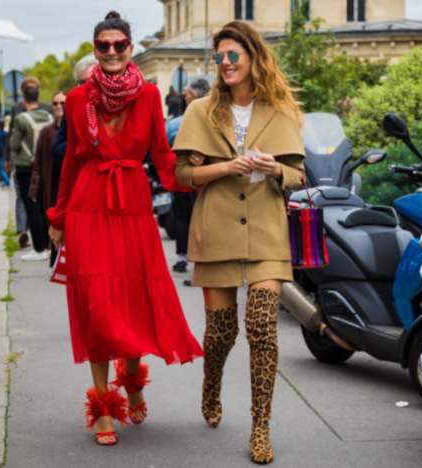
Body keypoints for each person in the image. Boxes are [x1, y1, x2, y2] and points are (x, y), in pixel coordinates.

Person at [46, 11, 203, 447]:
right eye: (104, 45)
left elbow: (161, 155)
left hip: (132, 205)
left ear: (130, 48)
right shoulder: (78, 99)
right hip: (88, 207)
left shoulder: (149, 95)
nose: (112, 51)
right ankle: (102, 407)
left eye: (119, 44)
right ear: (96, 50)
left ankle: (132, 383)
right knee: (96, 306)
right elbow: (71, 161)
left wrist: (196, 176)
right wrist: (58, 216)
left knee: (133, 302)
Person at [173, 21, 306, 464]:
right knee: (221, 333)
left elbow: (298, 175)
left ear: (253, 57)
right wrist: (226, 167)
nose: (226, 63)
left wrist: (273, 169)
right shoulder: (201, 111)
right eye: (220, 57)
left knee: (263, 325)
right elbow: (183, 175)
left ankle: (260, 426)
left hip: (267, 229)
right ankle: (211, 384)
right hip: (217, 229)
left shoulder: (279, 110)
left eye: (234, 55)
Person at [166, 78, 211, 275]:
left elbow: (164, 148)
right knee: (202, 219)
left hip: (186, 179)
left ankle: (183, 259)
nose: (185, 97)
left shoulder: (176, 123)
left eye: (187, 94)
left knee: (184, 217)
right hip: (208, 179)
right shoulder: (217, 119)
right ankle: (202, 262)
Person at [10, 83, 54, 261]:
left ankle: (38, 248)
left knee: (31, 207)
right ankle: (49, 245)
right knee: (44, 206)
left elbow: (14, 144)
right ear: (38, 97)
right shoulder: (49, 116)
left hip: (26, 167)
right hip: (45, 165)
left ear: (24, 99)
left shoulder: (21, 119)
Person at [29, 91, 66, 266]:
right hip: (52, 187)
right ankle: (55, 262)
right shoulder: (46, 132)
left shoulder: (77, 129)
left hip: (71, 186)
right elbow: (38, 162)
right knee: (53, 225)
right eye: (55, 103)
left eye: (62, 103)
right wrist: (34, 188)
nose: (59, 106)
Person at [51, 55, 98, 173]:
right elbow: (56, 149)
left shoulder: (114, 102)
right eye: (82, 83)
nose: (88, 86)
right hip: (83, 173)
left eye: (92, 80)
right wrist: (79, 145)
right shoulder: (72, 107)